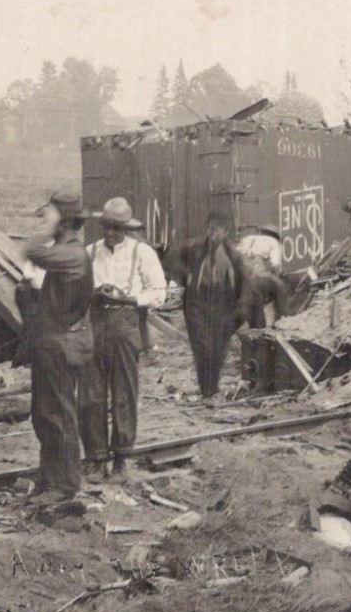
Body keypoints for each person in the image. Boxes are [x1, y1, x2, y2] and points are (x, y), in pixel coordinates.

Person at [79, 197, 167, 479]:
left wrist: (127, 298)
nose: (110, 233)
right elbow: (77, 291)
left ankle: (121, 458)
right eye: (106, 227)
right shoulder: (90, 252)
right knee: (91, 396)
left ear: (126, 229)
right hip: (95, 324)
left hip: (125, 324)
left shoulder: (142, 253)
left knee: (124, 394)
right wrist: (94, 293)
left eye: (116, 228)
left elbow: (159, 293)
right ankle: (95, 457)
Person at [24, 191, 94, 504]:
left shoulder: (73, 253)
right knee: (45, 413)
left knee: (58, 415)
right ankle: (50, 479)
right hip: (53, 342)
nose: (44, 218)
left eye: (50, 214)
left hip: (61, 344)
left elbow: (32, 250)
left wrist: (44, 229)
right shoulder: (68, 250)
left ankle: (64, 486)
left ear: (63, 221)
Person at [174, 212, 241, 398]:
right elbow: (171, 258)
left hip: (221, 303)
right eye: (209, 230)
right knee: (201, 348)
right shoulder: (194, 247)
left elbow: (238, 284)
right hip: (197, 302)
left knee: (217, 348)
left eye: (217, 232)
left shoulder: (232, 255)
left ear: (225, 232)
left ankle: (213, 387)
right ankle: (206, 391)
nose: (212, 235)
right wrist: (185, 275)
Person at [236, 223, 289, 330]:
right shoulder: (274, 242)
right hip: (256, 278)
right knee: (280, 289)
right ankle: (281, 322)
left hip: (238, 279)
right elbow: (275, 265)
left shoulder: (246, 239)